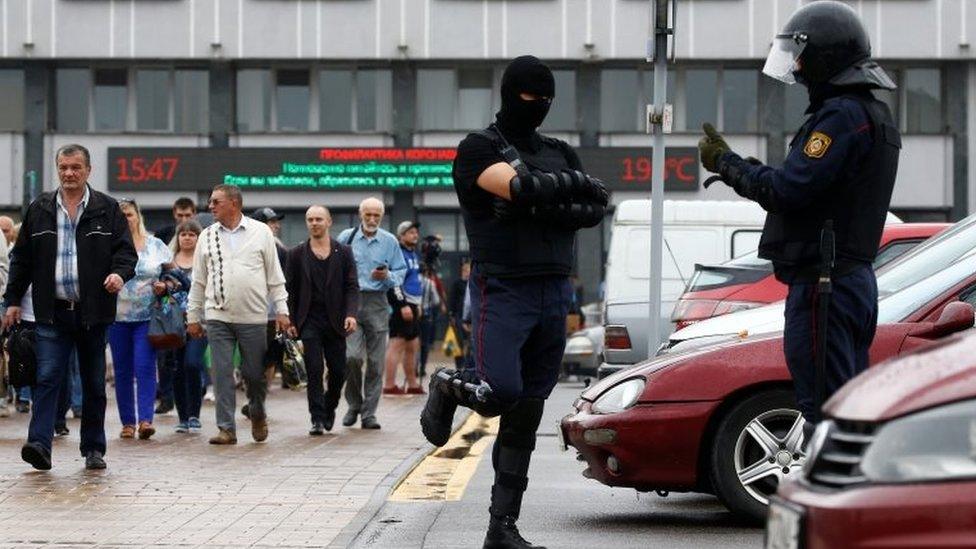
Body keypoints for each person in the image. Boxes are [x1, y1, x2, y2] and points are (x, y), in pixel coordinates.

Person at [420, 56, 607, 548]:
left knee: (527, 410)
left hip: (553, 289)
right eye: (531, 98)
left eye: (548, 100)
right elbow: (526, 188)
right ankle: (447, 385)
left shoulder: (559, 149)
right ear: (510, 95)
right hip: (502, 286)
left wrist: (536, 198)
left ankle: (502, 527)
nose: (540, 107)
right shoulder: (478, 148)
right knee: (500, 390)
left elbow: (594, 207)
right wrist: (552, 195)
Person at [697, 0, 900, 439]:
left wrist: (728, 164)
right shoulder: (871, 115)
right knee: (846, 408)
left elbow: (786, 190)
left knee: (824, 413)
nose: (799, 65)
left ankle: (825, 505)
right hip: (849, 280)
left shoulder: (842, 116)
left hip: (824, 285)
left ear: (825, 56)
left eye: (802, 53)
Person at [2, 143, 137, 471]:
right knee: (47, 377)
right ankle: (39, 444)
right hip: (52, 310)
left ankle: (93, 448)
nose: (69, 173)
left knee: (93, 382)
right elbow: (21, 259)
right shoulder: (40, 208)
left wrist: (119, 275)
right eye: (63, 167)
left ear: (88, 170)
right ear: (57, 169)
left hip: (93, 311)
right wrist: (12, 301)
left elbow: (126, 253)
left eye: (76, 167)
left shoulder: (107, 208)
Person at [186, 184, 290, 445]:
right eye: (210, 201)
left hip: (253, 317)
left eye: (215, 202)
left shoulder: (261, 233)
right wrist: (193, 316)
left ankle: (257, 412)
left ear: (234, 203)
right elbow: (198, 280)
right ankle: (226, 428)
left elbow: (275, 276)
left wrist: (282, 310)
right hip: (217, 316)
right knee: (221, 372)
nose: (210, 206)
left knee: (254, 375)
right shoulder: (206, 236)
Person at [284, 205, 359, 435]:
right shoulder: (296, 254)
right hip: (309, 320)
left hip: (336, 320)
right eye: (310, 219)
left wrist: (351, 313)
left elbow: (351, 286)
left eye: (318, 219)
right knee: (314, 369)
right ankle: (316, 418)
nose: (314, 223)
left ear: (329, 222)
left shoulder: (344, 251)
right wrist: (291, 320)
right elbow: (291, 290)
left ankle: (330, 405)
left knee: (338, 370)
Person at [337, 197, 407, 430]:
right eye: (368, 214)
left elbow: (400, 272)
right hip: (351, 303)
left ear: (382, 216)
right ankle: (354, 404)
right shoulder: (345, 239)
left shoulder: (389, 241)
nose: (372, 219)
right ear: (360, 215)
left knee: (376, 363)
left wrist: (386, 276)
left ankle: (369, 413)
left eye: (377, 215)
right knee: (352, 358)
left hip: (378, 303)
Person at [108, 198, 173, 440]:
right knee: (122, 370)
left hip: (147, 316)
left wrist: (164, 284)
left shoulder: (155, 244)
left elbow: (173, 274)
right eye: (122, 215)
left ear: (138, 216)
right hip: (116, 317)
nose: (127, 219)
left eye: (130, 214)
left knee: (144, 366)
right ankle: (127, 423)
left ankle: (146, 420)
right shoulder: (109, 245)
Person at [154, 196, 196, 414]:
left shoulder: (202, 238)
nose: (183, 219)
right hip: (169, 310)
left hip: (193, 313)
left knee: (190, 362)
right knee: (166, 358)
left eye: (187, 215)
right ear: (174, 213)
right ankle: (167, 397)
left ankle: (190, 405)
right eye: (180, 215)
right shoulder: (162, 236)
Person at [165, 219, 206, 434]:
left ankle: (194, 414)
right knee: (177, 368)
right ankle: (183, 416)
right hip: (173, 323)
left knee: (192, 364)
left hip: (199, 322)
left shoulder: (204, 261)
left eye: (192, 234)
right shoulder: (168, 262)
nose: (187, 237)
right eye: (184, 234)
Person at [382, 221, 424, 395]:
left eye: (416, 232)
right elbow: (394, 281)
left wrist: (418, 304)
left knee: (412, 345)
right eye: (410, 232)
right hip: (402, 305)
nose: (415, 235)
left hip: (413, 303)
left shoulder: (412, 253)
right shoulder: (398, 253)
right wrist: (402, 305)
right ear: (401, 236)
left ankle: (412, 384)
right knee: (396, 344)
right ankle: (389, 385)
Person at [250, 207, 289, 389]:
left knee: (271, 353)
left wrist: (285, 311)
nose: (276, 226)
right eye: (271, 222)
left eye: (276, 222)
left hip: (273, 313)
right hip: (249, 311)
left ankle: (261, 393)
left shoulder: (280, 250)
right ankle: (255, 390)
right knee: (252, 356)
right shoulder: (246, 247)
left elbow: (284, 282)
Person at [417, 263, 445, 378]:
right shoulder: (430, 283)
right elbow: (436, 300)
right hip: (426, 315)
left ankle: (414, 367)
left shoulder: (413, 282)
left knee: (414, 343)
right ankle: (422, 368)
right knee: (424, 344)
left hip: (415, 315)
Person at [448, 259, 471, 369]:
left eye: (469, 270)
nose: (467, 272)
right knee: (459, 342)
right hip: (458, 316)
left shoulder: (472, 284)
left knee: (471, 342)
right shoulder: (457, 283)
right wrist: (451, 315)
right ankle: (459, 365)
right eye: (466, 270)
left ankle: (468, 364)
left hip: (469, 317)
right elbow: (452, 299)